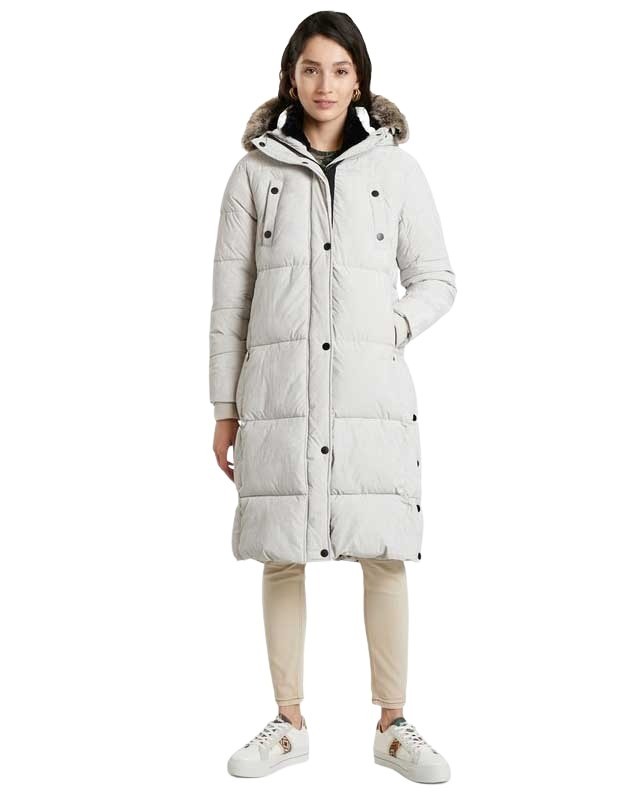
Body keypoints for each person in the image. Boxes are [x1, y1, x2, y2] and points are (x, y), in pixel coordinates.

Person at [209, 11, 456, 783]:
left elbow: (437, 279)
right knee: (281, 552)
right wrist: (223, 409)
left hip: (368, 396)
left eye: (341, 70)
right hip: (279, 394)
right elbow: (230, 303)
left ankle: (393, 724)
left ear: (360, 79)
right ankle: (288, 723)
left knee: (383, 550)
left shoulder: (396, 172)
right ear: (291, 77)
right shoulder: (255, 174)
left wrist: (391, 325)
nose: (325, 85)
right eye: (311, 69)